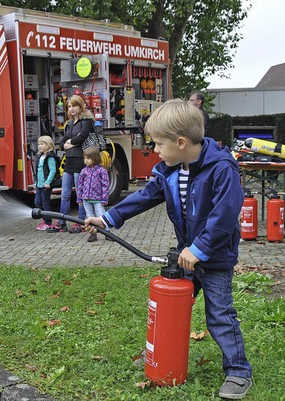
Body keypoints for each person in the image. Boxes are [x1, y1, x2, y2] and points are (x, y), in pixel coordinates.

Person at [84, 99, 252, 400]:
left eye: (159, 144)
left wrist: (199, 248)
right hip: (186, 255)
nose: (155, 150)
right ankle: (165, 355)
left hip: (214, 258)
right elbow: (145, 196)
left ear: (181, 141)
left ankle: (239, 371)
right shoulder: (170, 170)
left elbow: (225, 215)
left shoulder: (221, 168)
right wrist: (108, 218)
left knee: (219, 315)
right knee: (173, 308)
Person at [47, 94, 92, 233]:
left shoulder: (87, 121)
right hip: (69, 163)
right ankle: (62, 223)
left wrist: (70, 143)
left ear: (81, 106)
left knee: (80, 194)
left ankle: (80, 222)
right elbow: (62, 142)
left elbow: (82, 136)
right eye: (70, 106)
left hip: (80, 161)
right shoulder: (69, 124)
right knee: (65, 194)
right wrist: (67, 144)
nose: (72, 109)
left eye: (74, 106)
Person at [76, 146, 110, 242]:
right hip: (86, 199)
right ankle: (92, 234)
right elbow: (80, 185)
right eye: (85, 158)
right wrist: (80, 198)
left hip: (98, 199)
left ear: (95, 158)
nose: (86, 161)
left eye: (88, 158)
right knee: (89, 217)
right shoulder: (84, 171)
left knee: (102, 216)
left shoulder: (102, 171)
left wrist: (104, 198)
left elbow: (105, 185)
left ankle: (107, 232)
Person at [33, 135, 57, 231]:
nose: (39, 146)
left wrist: (48, 182)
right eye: (39, 144)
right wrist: (36, 183)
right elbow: (38, 171)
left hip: (46, 185)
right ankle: (45, 219)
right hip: (39, 185)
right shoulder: (40, 156)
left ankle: (48, 222)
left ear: (48, 145)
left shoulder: (50, 157)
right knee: (37, 202)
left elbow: (53, 170)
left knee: (45, 203)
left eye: (42, 144)